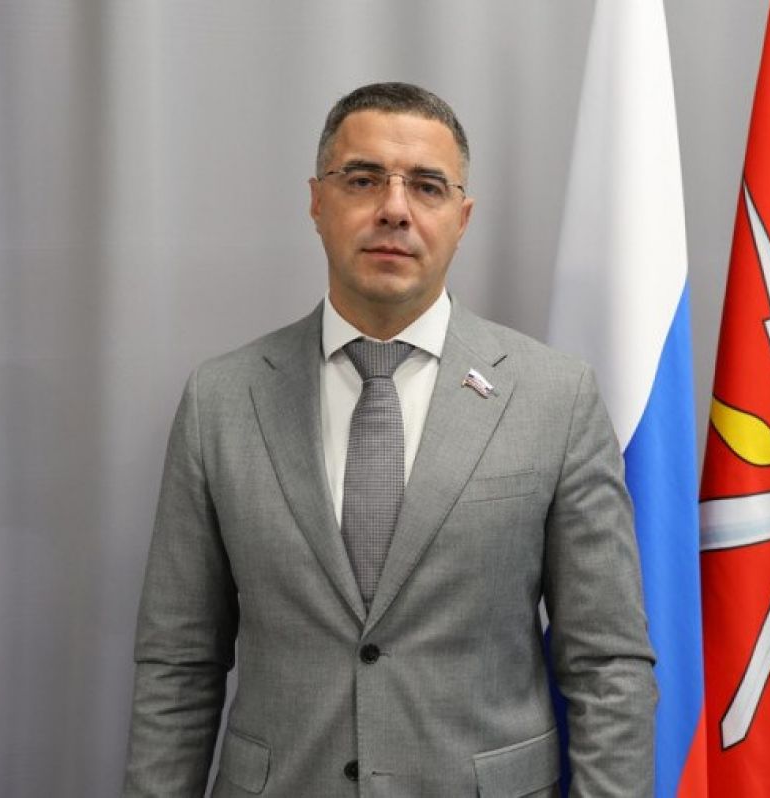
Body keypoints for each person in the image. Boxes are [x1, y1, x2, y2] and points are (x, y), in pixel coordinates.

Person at [124, 82, 656, 797]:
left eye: (427, 187)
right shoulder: (221, 400)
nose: (394, 209)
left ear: (462, 218)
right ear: (317, 202)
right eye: (363, 179)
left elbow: (607, 666)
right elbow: (179, 665)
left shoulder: (556, 399)